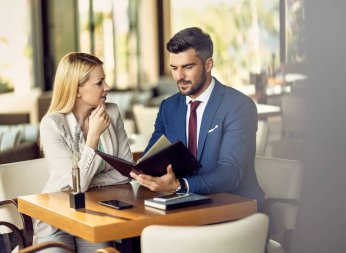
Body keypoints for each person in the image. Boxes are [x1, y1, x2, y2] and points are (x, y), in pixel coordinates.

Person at [130, 27, 265, 212]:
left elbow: (230, 174)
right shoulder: (168, 107)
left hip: (234, 209)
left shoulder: (238, 106)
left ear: (208, 64)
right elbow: (152, 160)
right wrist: (143, 174)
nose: (179, 76)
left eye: (188, 67)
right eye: (174, 68)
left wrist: (180, 186)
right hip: (183, 209)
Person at [36, 52, 133, 252]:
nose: (107, 87)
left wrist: (85, 185)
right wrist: (93, 137)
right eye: (100, 83)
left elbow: (126, 172)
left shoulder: (112, 112)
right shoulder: (52, 124)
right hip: (57, 220)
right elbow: (77, 184)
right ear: (77, 90)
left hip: (95, 215)